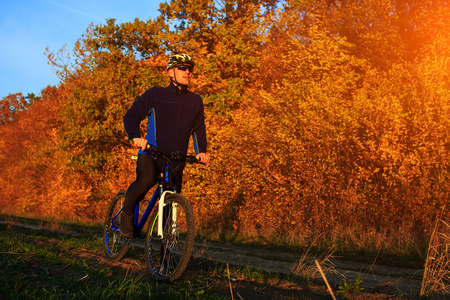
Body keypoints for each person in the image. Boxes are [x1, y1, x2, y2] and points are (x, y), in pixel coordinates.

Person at [120, 53, 210, 238]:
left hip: (176, 158)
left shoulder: (195, 101)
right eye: (182, 68)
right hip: (151, 153)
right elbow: (131, 116)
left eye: (190, 69)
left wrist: (202, 152)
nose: (187, 72)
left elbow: (199, 129)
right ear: (171, 72)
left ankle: (165, 261)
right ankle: (127, 214)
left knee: (170, 205)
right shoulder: (156, 94)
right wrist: (135, 137)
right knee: (146, 180)